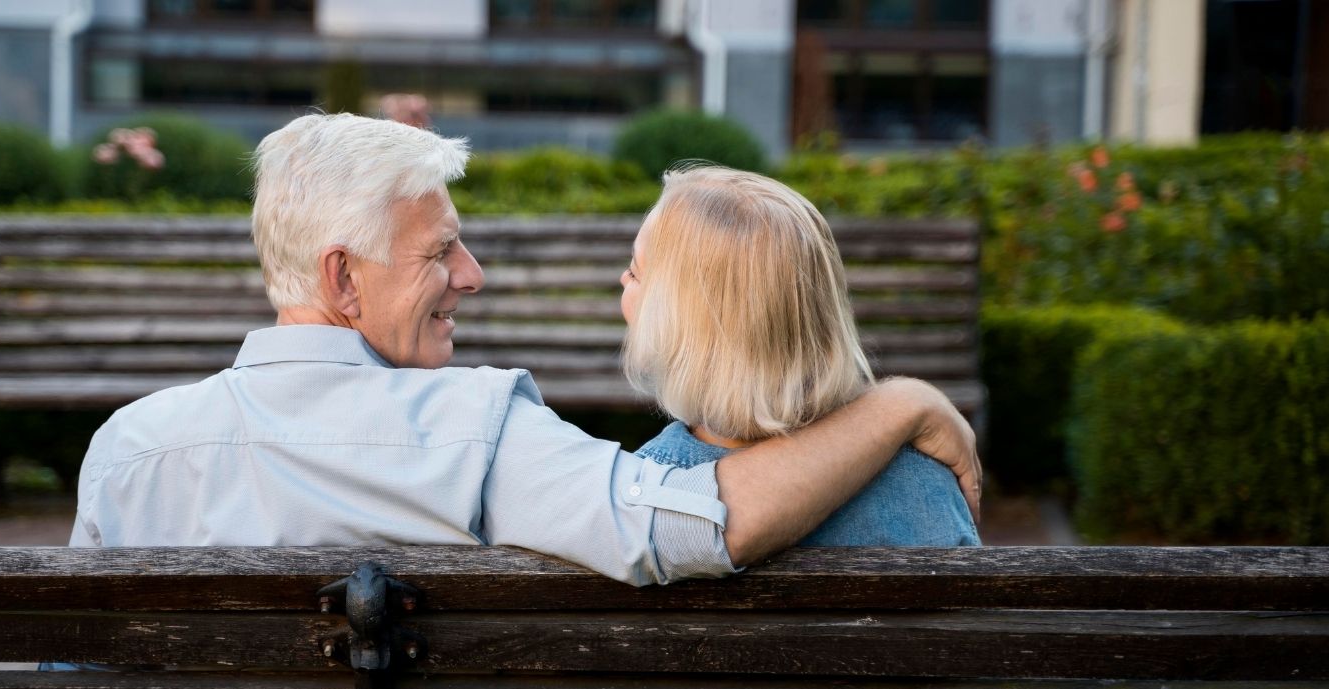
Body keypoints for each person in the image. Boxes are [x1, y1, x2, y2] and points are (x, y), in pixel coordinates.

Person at [68, 113, 981, 584]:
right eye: (440, 252)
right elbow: (704, 521)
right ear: (344, 281)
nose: (472, 275)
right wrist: (903, 402)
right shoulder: (483, 435)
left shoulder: (126, 452)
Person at [624, 166, 978, 546]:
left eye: (635, 272)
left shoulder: (649, 493)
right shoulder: (924, 482)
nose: (623, 279)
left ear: (675, 326)